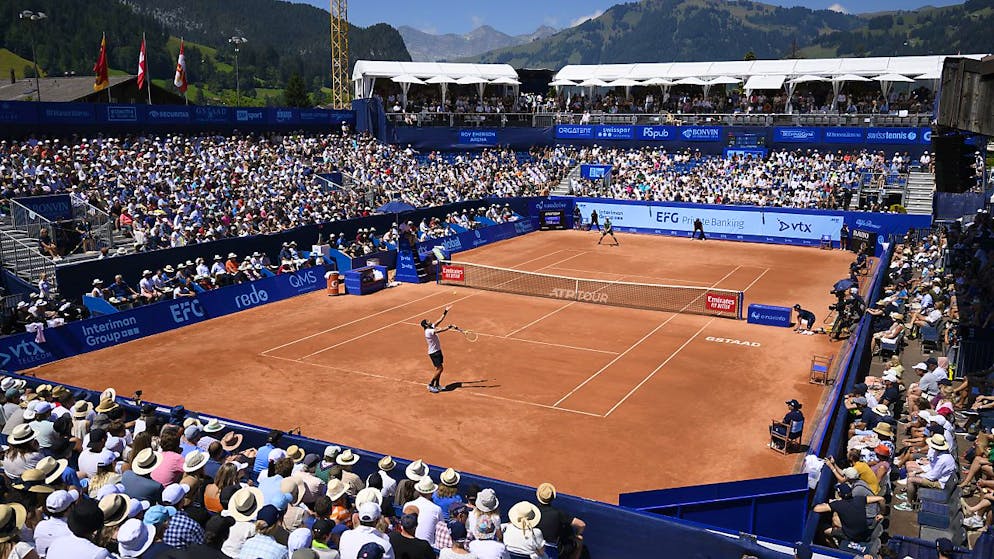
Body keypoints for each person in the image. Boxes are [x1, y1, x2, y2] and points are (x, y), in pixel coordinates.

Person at [420, 307, 453, 394]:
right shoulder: (428, 331)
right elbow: (440, 330)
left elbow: (439, 320)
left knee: (439, 368)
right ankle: (430, 384)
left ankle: (437, 385)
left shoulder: (430, 327)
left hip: (437, 351)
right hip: (434, 353)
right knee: (440, 369)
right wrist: (449, 327)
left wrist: (445, 311)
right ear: (426, 325)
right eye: (427, 321)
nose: (429, 321)